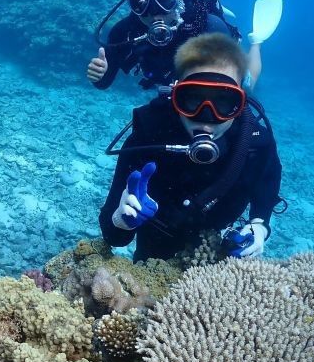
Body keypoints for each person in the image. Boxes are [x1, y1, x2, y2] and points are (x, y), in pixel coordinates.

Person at [98, 32, 282, 261]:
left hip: (215, 240)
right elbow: (114, 237)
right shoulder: (148, 135)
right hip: (159, 237)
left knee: (251, 80)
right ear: (175, 94)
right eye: (192, 99)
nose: (206, 118)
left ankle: (256, 43)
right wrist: (121, 220)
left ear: (240, 103)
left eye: (225, 102)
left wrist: (259, 228)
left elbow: (265, 196)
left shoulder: (256, 144)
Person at [87, 0, 268, 91]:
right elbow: (104, 83)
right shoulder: (123, 33)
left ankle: (256, 40)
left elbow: (232, 88)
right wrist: (100, 74)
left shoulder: (209, 27)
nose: (155, 13)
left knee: (248, 86)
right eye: (142, 3)